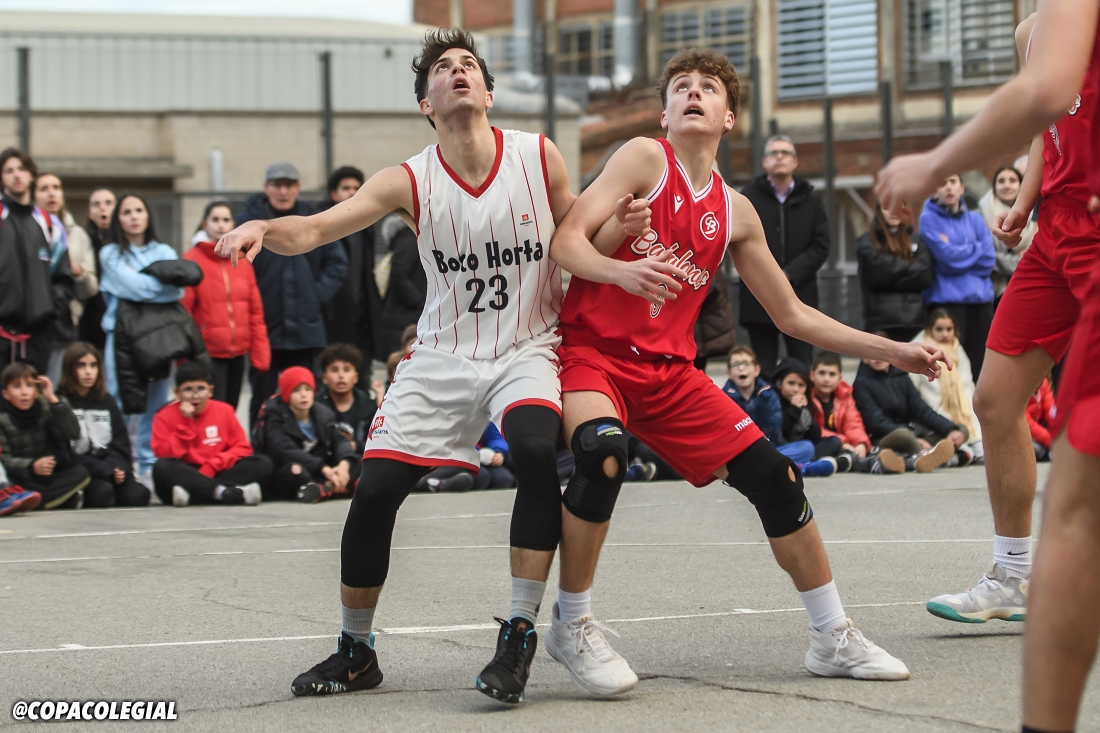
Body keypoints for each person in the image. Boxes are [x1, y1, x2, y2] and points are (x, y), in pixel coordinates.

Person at [214, 28, 662, 704]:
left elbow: (574, 239)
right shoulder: (409, 178)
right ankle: (356, 650)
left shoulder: (538, 157)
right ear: (426, 102)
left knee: (539, 450)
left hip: (527, 347)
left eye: (469, 66)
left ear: (487, 90)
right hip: (441, 354)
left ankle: (518, 635)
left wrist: (617, 233)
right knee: (375, 489)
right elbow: (315, 228)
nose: (457, 73)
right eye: (443, 69)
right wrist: (261, 230)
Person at [545, 48, 960, 695]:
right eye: (680, 86)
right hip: (592, 353)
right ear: (664, 111)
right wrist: (620, 269)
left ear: (729, 116)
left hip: (670, 372)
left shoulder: (735, 210)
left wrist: (895, 348)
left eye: (707, 87)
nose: (692, 93)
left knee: (778, 475)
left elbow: (792, 313)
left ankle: (832, 635)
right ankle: (571, 624)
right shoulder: (642, 159)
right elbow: (566, 240)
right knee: (602, 454)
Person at [876, 8, 1100, 724]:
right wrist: (1029, 192)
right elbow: (1047, 119)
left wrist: (933, 163)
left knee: (1080, 482)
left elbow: (1041, 94)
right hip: (1056, 230)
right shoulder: (1028, 28)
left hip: (1096, 228)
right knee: (997, 401)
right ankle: (1012, 573)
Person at [236, 161, 348, 425]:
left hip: (305, 330)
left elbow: (337, 264)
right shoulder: (246, 223)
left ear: (298, 187)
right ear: (266, 187)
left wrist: (314, 295)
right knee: (262, 395)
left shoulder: (313, 221)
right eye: (277, 185)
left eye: (288, 185)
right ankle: (262, 452)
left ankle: (306, 451)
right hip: (264, 329)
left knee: (307, 395)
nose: (283, 191)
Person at [98, 193, 185, 480]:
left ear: (148, 215)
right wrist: (156, 286)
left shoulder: (164, 251)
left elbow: (178, 290)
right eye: (126, 212)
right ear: (118, 219)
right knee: (120, 402)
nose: (134, 216)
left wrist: (146, 287)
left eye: (139, 210)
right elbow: (134, 287)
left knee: (156, 406)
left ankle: (148, 468)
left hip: (159, 337)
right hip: (121, 339)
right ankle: (119, 464)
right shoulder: (110, 253)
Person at [738, 134, 830, 368]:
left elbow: (821, 245)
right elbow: (738, 243)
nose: (779, 157)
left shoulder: (811, 199)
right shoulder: (747, 197)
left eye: (785, 153)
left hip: (800, 296)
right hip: (758, 297)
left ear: (795, 162)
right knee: (764, 370)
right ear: (764, 162)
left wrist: (788, 275)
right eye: (773, 153)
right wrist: (769, 276)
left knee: (800, 368)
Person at [182, 201, 270, 409]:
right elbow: (184, 313)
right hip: (207, 354)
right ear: (205, 224)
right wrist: (187, 356)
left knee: (230, 409)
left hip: (237, 352)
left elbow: (254, 311)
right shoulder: (191, 260)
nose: (220, 225)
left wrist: (260, 351)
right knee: (210, 411)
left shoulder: (242, 260)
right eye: (215, 219)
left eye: (226, 220)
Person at [150, 360, 270, 507]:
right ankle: (225, 493)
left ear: (211, 391)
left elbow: (242, 448)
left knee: (263, 463)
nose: (195, 396)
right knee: (162, 467)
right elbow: (164, 454)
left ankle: (199, 494)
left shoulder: (225, 410)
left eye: (201, 389)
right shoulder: (163, 415)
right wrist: (185, 424)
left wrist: (213, 465)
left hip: (217, 471)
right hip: (184, 474)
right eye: (188, 389)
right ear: (177, 393)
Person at [0, 148, 75, 375]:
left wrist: (49, 311)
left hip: (39, 336)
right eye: (9, 170)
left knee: (37, 405)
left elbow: (63, 277)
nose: (16, 175)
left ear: (32, 175)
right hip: (1, 334)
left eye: (22, 169)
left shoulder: (49, 223)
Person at [918, 174, 996, 379]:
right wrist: (975, 247)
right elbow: (946, 259)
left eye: (952, 182)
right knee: (952, 372)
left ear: (961, 187)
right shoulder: (928, 220)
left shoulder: (976, 219)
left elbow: (988, 261)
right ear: (934, 190)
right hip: (948, 307)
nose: (948, 188)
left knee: (983, 371)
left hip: (981, 306)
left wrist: (957, 251)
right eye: (942, 183)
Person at [852, 343, 969, 474]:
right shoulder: (861, 383)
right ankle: (933, 457)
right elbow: (875, 421)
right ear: (864, 359)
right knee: (903, 435)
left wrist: (949, 428)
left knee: (960, 430)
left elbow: (921, 410)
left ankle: (925, 456)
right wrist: (913, 437)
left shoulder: (901, 377)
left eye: (882, 354)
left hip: (913, 437)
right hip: (885, 438)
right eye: (872, 354)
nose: (878, 358)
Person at [56, 342, 148, 508]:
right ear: (70, 369)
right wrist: (102, 468)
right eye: (81, 366)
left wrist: (119, 466)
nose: (88, 372)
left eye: (93, 365)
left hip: (108, 465)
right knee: (102, 493)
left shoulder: (106, 400)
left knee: (138, 496)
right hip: (82, 468)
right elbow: (62, 453)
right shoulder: (60, 402)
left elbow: (121, 442)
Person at [260, 366, 359, 503]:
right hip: (300, 468)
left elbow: (340, 440)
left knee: (357, 460)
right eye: (296, 390)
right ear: (286, 395)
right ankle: (342, 487)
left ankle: (325, 489)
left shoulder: (323, 414)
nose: (303, 395)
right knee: (293, 471)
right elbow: (285, 450)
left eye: (307, 389)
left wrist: (343, 465)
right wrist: (322, 468)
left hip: (325, 470)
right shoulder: (275, 418)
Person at [34, 173, 97, 384]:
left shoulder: (77, 235)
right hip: (32, 318)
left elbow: (91, 288)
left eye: (56, 187)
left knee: (59, 385)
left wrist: (78, 274)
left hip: (66, 320)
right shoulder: (26, 228)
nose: (51, 193)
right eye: (44, 188)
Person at [0, 362, 89, 509]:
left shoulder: (46, 408)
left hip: (47, 476)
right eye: (17, 387)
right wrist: (31, 466)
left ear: (36, 390)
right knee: (14, 483)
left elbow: (72, 433)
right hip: (20, 477)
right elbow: (3, 459)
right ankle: (34, 500)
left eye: (29, 386)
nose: (24, 392)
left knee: (81, 473)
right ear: (6, 394)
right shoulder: (2, 418)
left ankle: (36, 502)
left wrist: (52, 398)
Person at [319, 166, 383, 368]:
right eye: (346, 188)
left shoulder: (366, 227)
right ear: (333, 193)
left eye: (357, 187)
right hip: (332, 317)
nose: (352, 193)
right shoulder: (323, 226)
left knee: (361, 374)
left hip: (362, 318)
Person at [909, 309, 983, 462]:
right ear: (929, 330)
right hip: (932, 418)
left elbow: (967, 387)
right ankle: (948, 454)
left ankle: (957, 452)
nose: (945, 334)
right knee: (961, 449)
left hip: (963, 417)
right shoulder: (918, 350)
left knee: (981, 451)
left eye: (949, 329)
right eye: (939, 329)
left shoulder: (958, 350)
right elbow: (912, 391)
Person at [856, 203, 934, 342]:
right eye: (887, 206)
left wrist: (890, 275)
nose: (893, 211)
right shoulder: (867, 241)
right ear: (879, 211)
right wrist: (910, 265)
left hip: (914, 323)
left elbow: (925, 276)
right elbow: (875, 275)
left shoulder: (916, 240)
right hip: (881, 324)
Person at [771, 358, 845, 476]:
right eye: (791, 383)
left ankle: (797, 465)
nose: (796, 389)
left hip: (797, 448)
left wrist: (806, 412)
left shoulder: (804, 401)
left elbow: (815, 437)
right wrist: (794, 409)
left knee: (834, 441)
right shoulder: (771, 400)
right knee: (807, 447)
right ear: (780, 383)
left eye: (801, 385)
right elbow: (777, 431)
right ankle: (802, 466)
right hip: (777, 448)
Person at [977, 166, 1037, 301]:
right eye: (1001, 181)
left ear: (1021, 185)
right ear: (994, 187)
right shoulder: (980, 214)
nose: (1007, 186)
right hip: (994, 288)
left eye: (1012, 180)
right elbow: (983, 254)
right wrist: (1022, 261)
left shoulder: (1035, 215)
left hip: (1028, 285)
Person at [377, 214, 427, 358]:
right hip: (405, 318)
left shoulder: (409, 237)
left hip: (403, 316)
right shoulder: (410, 237)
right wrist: (421, 303)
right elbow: (399, 276)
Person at [315, 343, 379, 454]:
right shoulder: (316, 406)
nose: (341, 375)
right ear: (324, 378)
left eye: (346, 370)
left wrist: (357, 446)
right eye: (334, 370)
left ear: (356, 377)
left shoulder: (368, 405)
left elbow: (377, 442)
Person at [809, 352, 872, 460]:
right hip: (818, 443)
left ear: (840, 378)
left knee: (861, 449)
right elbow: (814, 430)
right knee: (835, 444)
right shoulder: (807, 396)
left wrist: (861, 443)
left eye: (832, 374)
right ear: (812, 375)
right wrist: (844, 442)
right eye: (822, 373)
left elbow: (853, 424)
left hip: (841, 443)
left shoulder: (845, 397)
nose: (826, 379)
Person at [79, 188, 116, 350]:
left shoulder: (129, 243)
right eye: (96, 204)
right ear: (89, 213)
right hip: (92, 323)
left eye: (108, 203)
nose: (103, 208)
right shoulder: (84, 243)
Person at [1025, 375, 1054, 462]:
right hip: (1024, 431)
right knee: (1035, 448)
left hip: (1040, 428)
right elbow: (1027, 423)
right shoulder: (1018, 389)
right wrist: (1051, 441)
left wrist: (1060, 433)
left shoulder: (1043, 384)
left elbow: (1051, 409)